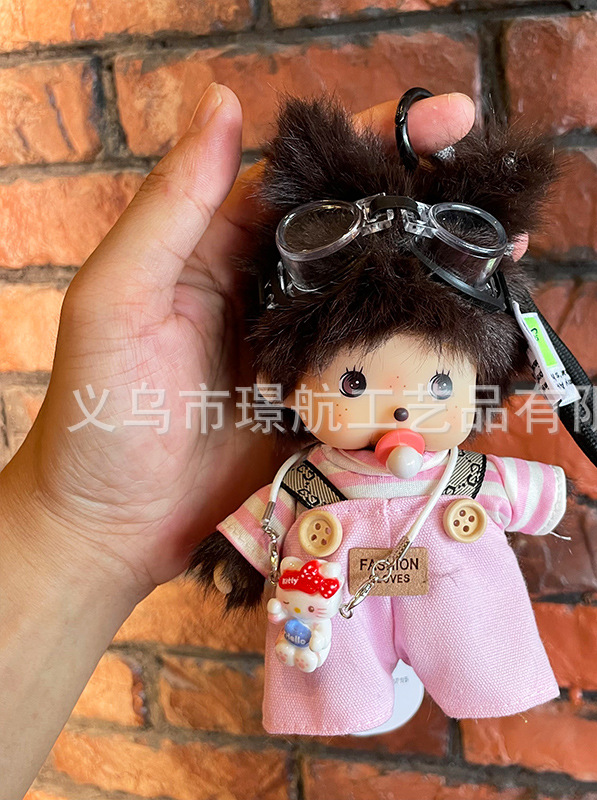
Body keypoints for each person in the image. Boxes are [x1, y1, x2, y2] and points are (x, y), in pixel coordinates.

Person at [0, 84, 484, 799]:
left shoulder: (454, 472)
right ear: (292, 386)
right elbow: (264, 525)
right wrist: (81, 530)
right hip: (335, 606)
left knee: (461, 645)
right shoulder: (307, 479)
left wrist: (77, 536)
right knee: (343, 660)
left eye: (442, 385)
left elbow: (515, 492)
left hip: (439, 593)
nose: (406, 408)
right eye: (353, 383)